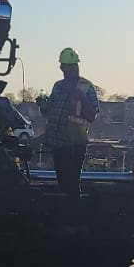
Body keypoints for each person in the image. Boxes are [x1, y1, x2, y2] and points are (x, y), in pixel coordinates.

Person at [43, 48, 99, 197]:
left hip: (75, 143)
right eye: (70, 65)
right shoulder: (58, 87)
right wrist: (43, 105)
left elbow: (92, 115)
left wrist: (81, 96)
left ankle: (74, 212)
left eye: (75, 65)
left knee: (72, 184)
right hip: (58, 143)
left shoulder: (86, 87)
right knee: (62, 182)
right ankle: (66, 213)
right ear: (62, 68)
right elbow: (49, 112)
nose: (74, 68)